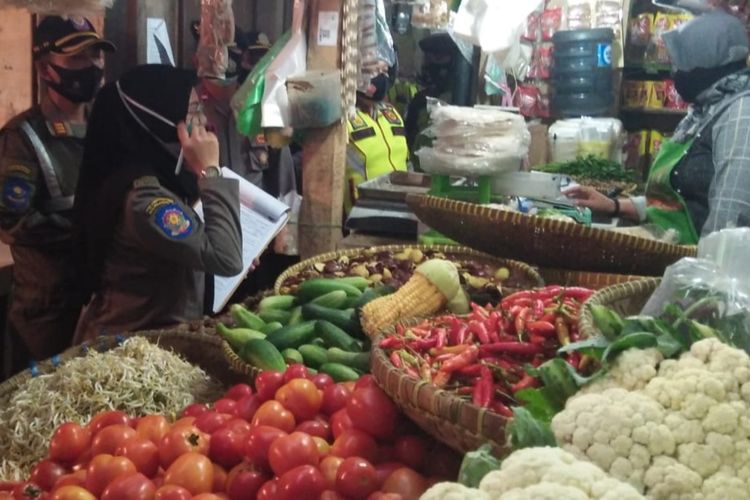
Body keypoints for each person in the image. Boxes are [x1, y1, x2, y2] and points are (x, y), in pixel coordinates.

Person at [72, 65, 243, 343]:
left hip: (156, 341)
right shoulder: (145, 202)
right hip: (128, 352)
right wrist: (210, 170)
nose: (202, 125)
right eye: (192, 113)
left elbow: (214, 250)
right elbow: (227, 258)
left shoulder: (159, 179)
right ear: (160, 121)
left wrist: (230, 237)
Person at [566, 10, 750, 245]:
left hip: (693, 263)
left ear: (708, 64)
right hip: (666, 248)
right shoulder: (703, 110)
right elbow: (671, 203)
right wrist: (614, 205)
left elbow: (730, 221)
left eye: (683, 66)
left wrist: (699, 276)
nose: (676, 75)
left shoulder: (741, 114)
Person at [0, 16, 115, 373]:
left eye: (97, 55)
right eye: (78, 57)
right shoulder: (22, 137)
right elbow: (12, 221)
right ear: (45, 69)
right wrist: (83, 230)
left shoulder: (109, 126)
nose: (93, 65)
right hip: (47, 312)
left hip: (102, 302)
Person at [345, 65, 409, 213]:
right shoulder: (343, 119)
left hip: (401, 210)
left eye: (384, 72)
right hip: (361, 214)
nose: (381, 77)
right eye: (372, 71)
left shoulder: (392, 114)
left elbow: (406, 161)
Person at [404, 32, 458, 162]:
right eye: (428, 58)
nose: (430, 63)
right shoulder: (420, 100)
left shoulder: (459, 98)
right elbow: (409, 139)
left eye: (439, 57)